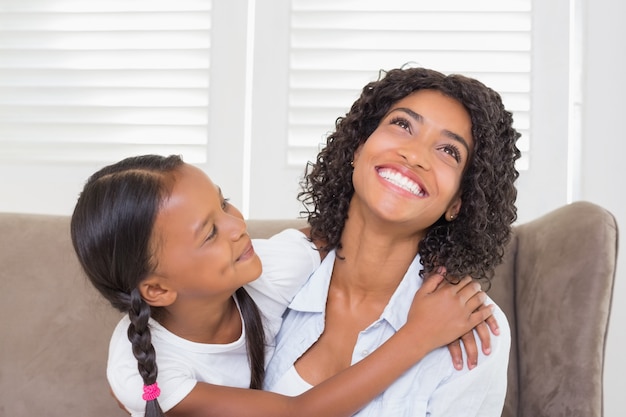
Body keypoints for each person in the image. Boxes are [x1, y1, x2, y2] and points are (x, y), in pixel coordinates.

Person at [70, 154, 494, 417]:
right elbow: (296, 414)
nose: (238, 227)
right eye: (210, 233)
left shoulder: (268, 269)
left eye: (223, 203)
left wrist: (440, 254)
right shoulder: (143, 369)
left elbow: (342, 234)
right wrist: (419, 336)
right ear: (158, 290)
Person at [265, 67, 520, 416]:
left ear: (458, 202)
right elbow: (165, 390)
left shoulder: (474, 328)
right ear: (358, 148)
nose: (415, 155)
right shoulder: (276, 267)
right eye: (403, 125)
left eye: (449, 150)